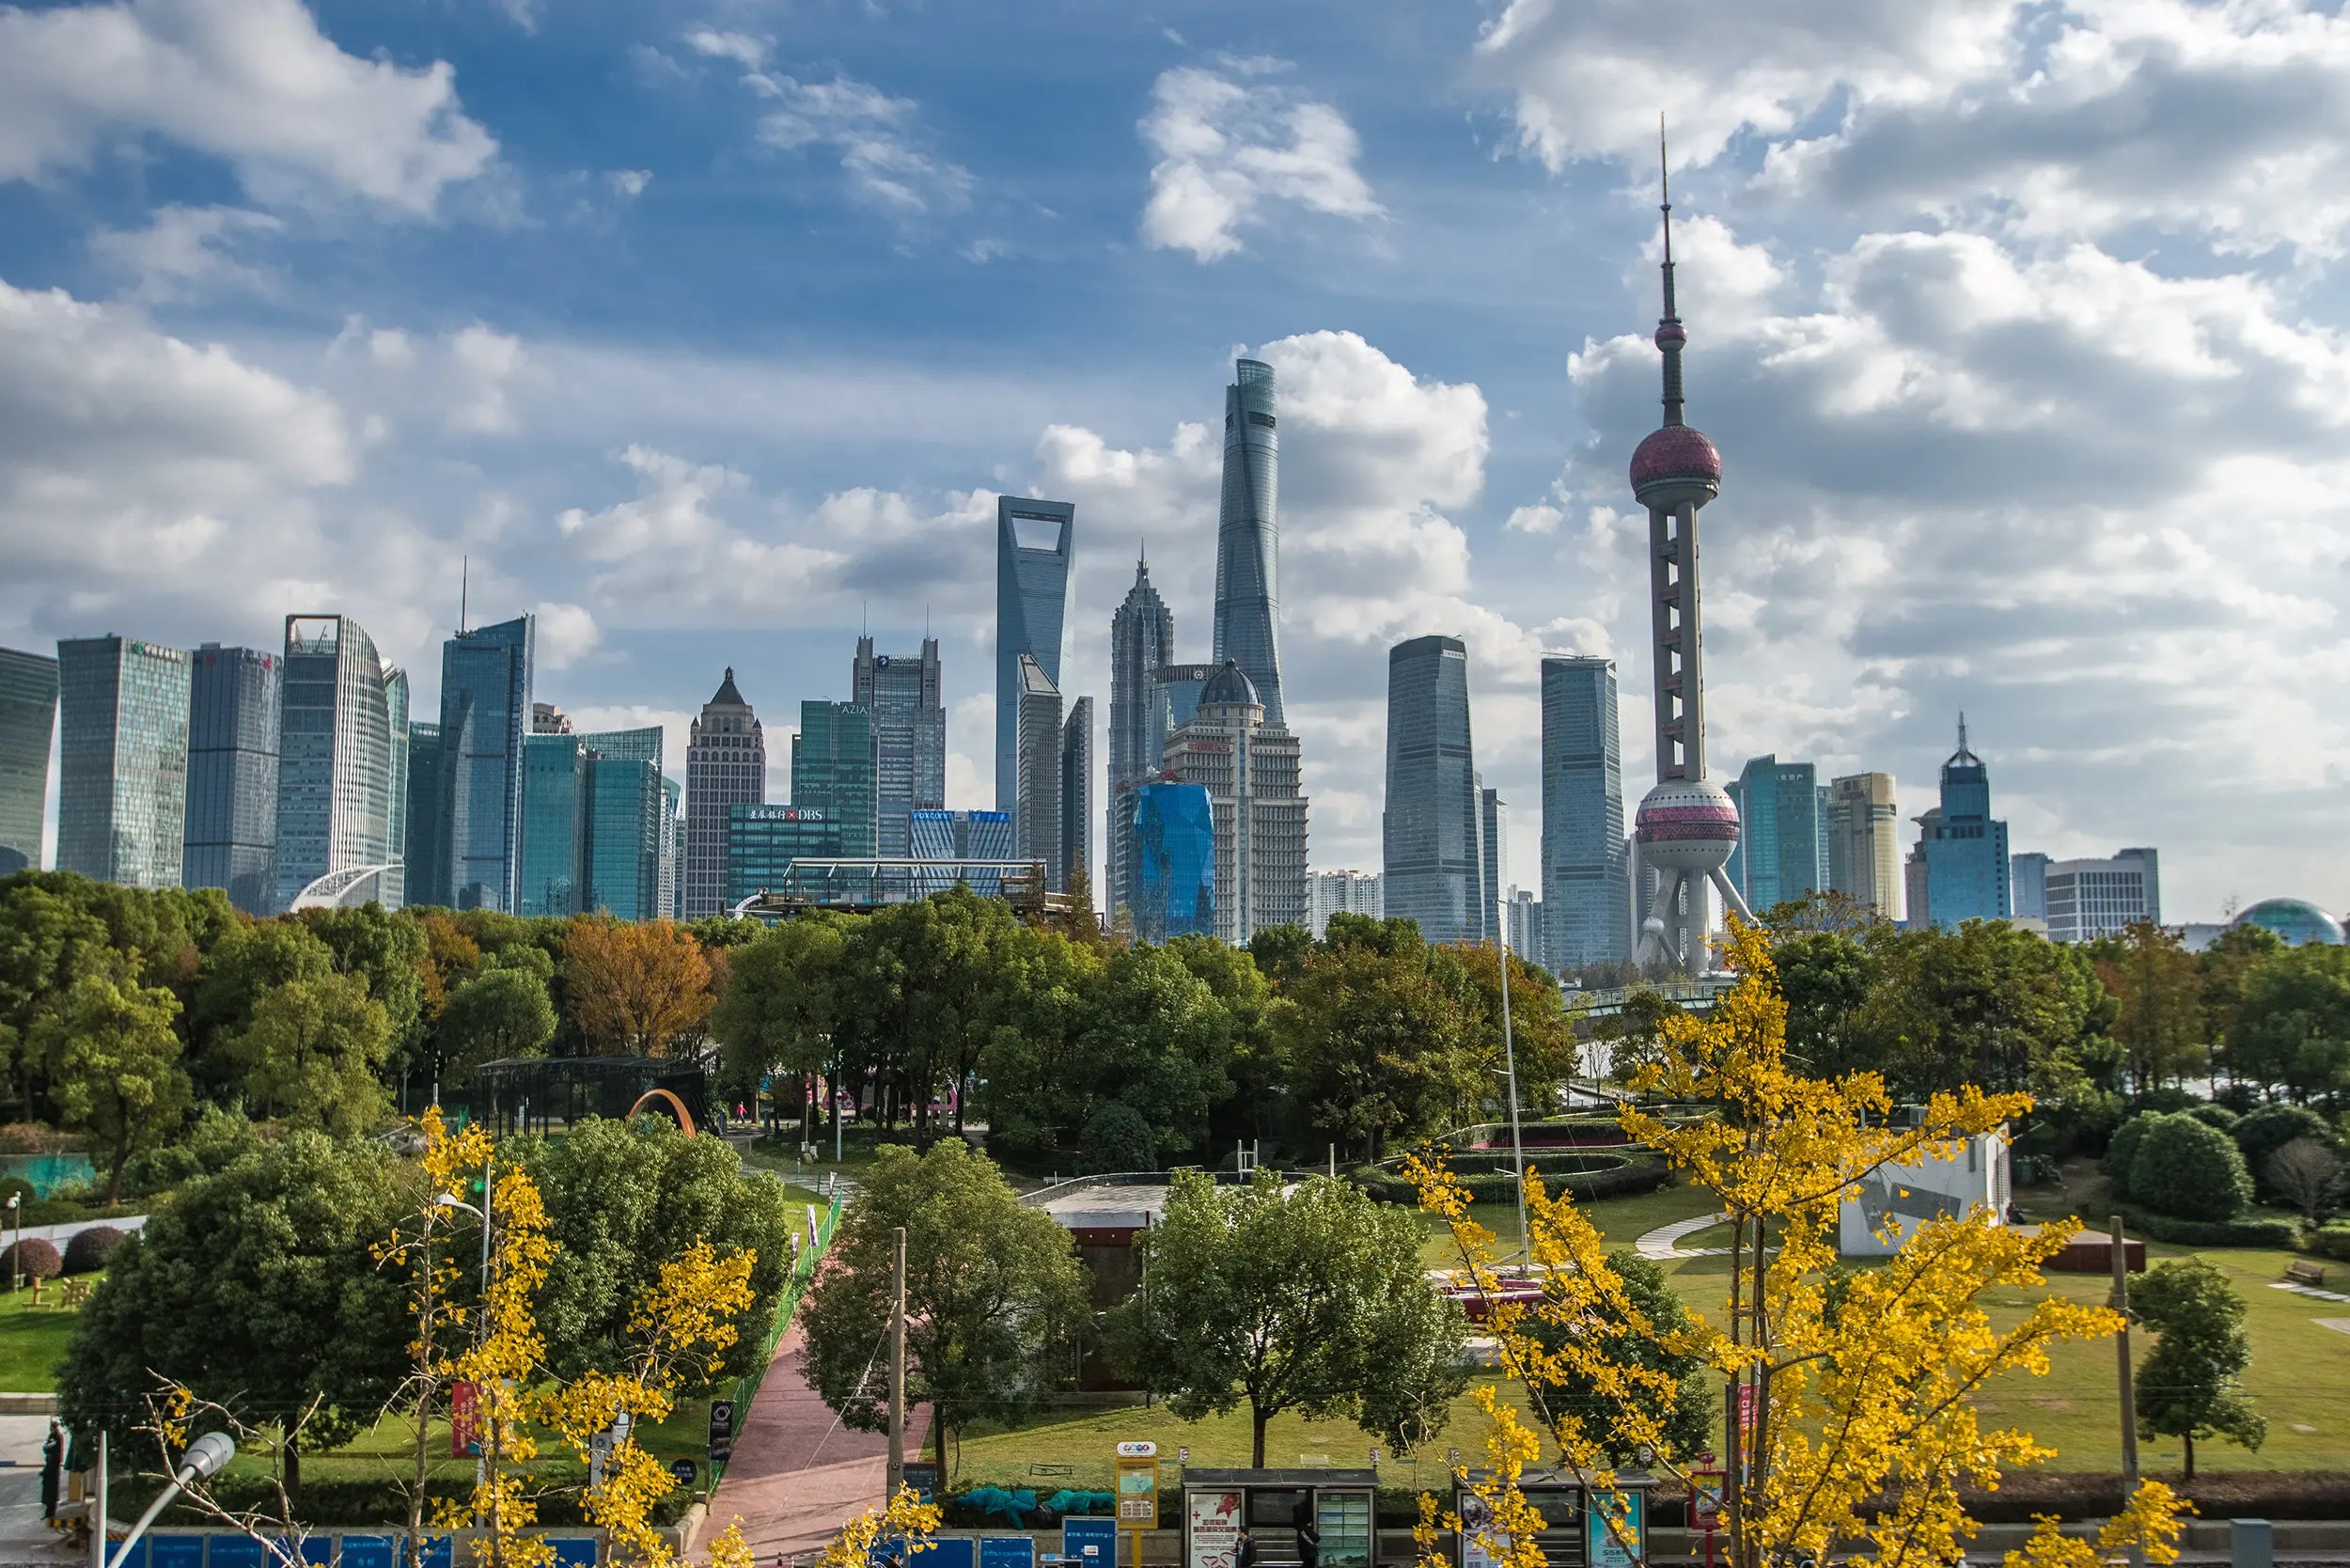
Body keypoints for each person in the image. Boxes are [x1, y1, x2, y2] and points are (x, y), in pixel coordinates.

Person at [39, 1419, 62, 1519]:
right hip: (49, 1464)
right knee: (47, 1489)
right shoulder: (51, 1436)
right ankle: (48, 1513)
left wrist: (48, 1449)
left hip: (53, 1466)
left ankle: (51, 1512)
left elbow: (51, 1447)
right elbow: (45, 1447)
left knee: (52, 1490)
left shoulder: (58, 1436)